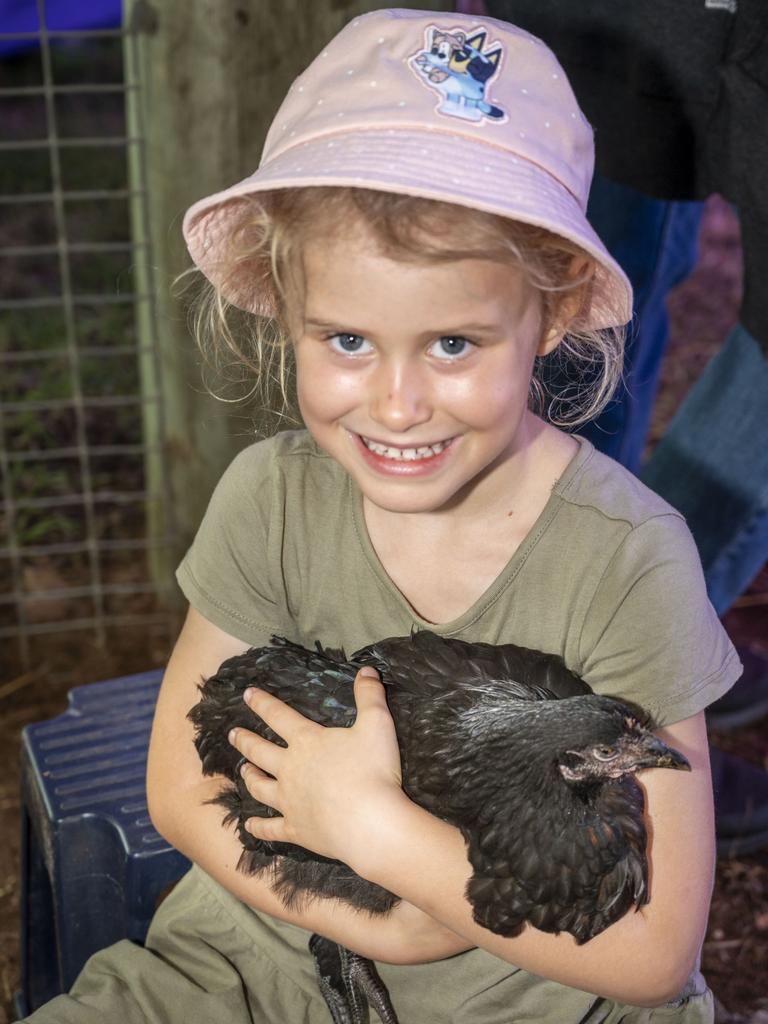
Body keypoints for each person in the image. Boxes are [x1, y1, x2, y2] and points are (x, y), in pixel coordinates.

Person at [22, 9, 741, 1023]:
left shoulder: (627, 561)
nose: (396, 404)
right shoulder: (270, 499)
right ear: (283, 302)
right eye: (348, 339)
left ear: (558, 307)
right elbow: (181, 789)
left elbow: (654, 951)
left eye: (453, 344)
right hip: (257, 964)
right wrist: (376, 924)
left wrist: (376, 830)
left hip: (545, 1002)